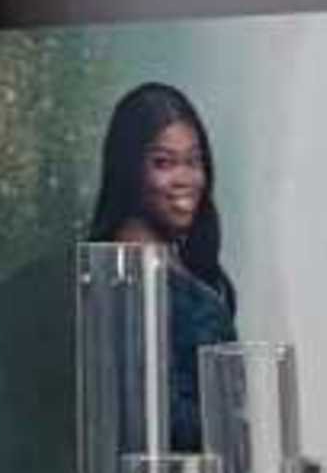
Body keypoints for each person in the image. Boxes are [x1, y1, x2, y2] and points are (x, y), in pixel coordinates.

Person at [89, 79, 235, 444]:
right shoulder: (109, 280)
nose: (185, 179)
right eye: (163, 162)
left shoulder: (195, 287)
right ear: (128, 168)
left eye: (194, 161)